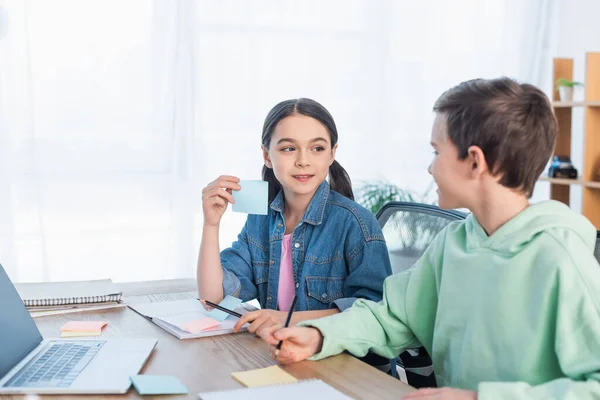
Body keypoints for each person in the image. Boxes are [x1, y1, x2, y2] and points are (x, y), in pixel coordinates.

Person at [266, 78, 600, 399]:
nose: (430, 169)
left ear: (474, 161)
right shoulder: (453, 243)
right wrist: (320, 335)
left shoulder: (559, 257)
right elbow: (391, 316)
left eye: (436, 151)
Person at [197, 98, 392, 341]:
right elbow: (213, 301)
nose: (303, 160)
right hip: (281, 354)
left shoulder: (355, 223)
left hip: (342, 364)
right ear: (267, 156)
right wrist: (211, 225)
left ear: (332, 154)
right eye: (289, 148)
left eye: (317, 148)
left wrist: (287, 320)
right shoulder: (260, 218)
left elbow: (376, 313)